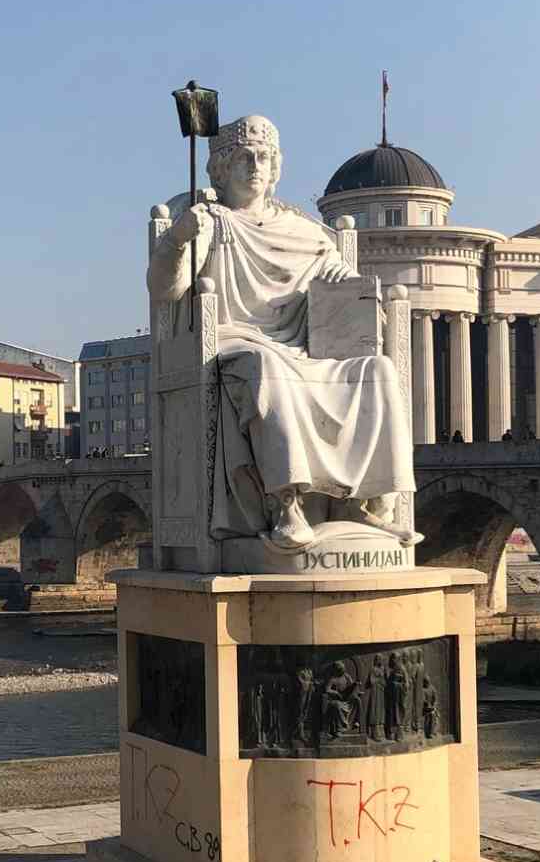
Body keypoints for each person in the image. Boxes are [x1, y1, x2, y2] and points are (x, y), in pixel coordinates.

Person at [149, 113, 418, 551]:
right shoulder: (210, 223)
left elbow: (340, 280)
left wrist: (371, 308)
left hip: (304, 350)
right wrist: (177, 240)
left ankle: (367, 504)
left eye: (265, 158)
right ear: (221, 168)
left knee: (378, 370)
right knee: (267, 369)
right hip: (234, 341)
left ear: (276, 167)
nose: (256, 166)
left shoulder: (306, 232)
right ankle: (284, 505)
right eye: (244, 158)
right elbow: (167, 290)